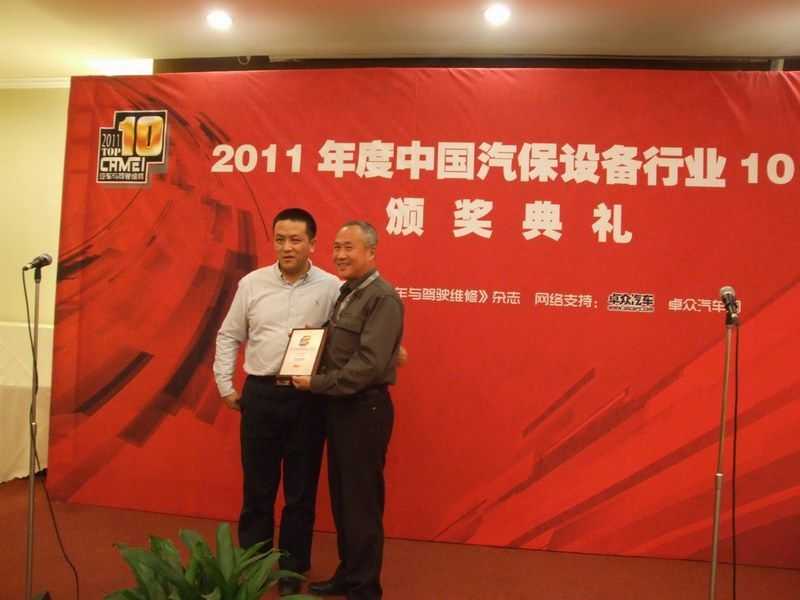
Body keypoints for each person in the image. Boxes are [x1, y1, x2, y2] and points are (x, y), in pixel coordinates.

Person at [213, 208, 340, 597]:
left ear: (312, 244)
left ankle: (291, 571)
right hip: (261, 394)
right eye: (280, 239)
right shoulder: (252, 284)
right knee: (258, 487)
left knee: (301, 491)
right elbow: (229, 335)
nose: (287, 247)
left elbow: (345, 339)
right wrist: (225, 384)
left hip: (307, 398)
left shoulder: (332, 288)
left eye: (296, 240)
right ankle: (252, 567)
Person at [293, 221, 404, 600]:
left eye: (349, 248)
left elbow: (368, 366)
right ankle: (349, 574)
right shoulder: (348, 292)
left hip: (363, 409)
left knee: (361, 503)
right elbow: (339, 346)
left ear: (371, 252)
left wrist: (318, 382)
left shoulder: (382, 298)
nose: (340, 255)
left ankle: (364, 588)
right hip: (339, 408)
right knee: (343, 500)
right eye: (337, 247)